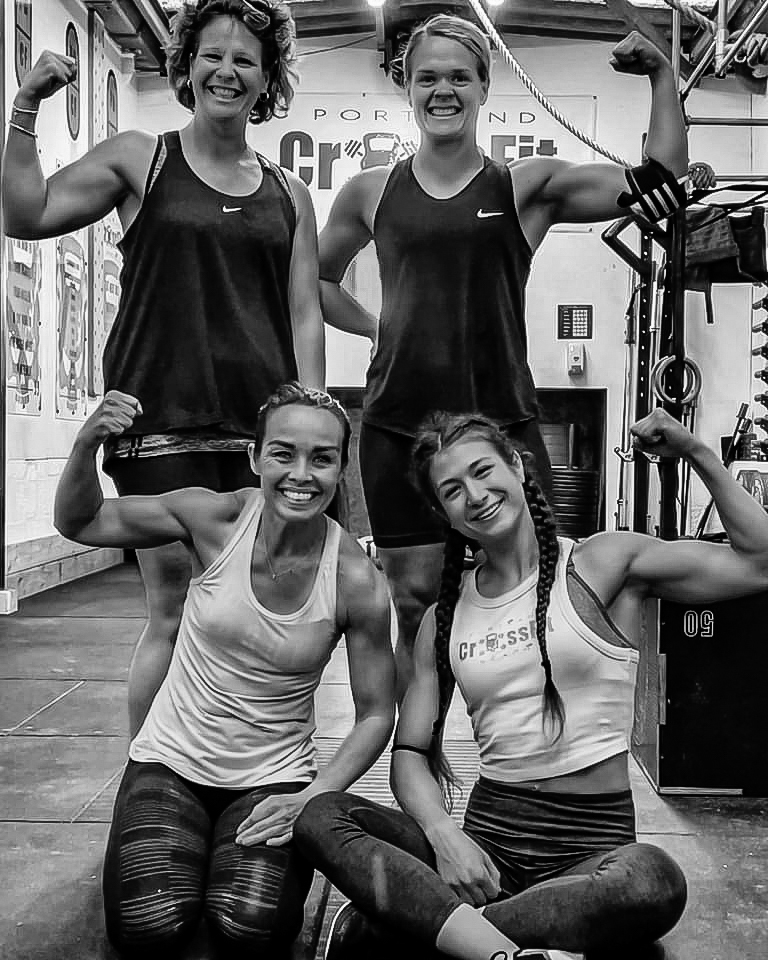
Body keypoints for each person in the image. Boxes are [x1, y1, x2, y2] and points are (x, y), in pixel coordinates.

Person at [294, 406, 768, 959]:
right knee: (322, 814)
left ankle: (435, 929)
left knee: (652, 881)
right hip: (486, 848)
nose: (474, 495)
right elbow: (410, 754)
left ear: (517, 467)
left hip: (591, 850)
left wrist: (695, 451)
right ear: (444, 514)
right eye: (452, 490)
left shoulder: (600, 564)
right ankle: (499, 943)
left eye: (482, 471)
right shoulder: (444, 617)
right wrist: (444, 835)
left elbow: (759, 562)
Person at [318, 13, 689, 693]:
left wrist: (663, 75)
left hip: (502, 424)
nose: (443, 90)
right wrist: (376, 328)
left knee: (534, 601)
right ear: (406, 84)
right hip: (400, 426)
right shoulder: (370, 191)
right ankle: (419, 750)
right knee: (415, 606)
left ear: (485, 85)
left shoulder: (524, 186)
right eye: (428, 77)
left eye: (460, 77)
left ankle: (526, 745)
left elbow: (660, 183)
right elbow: (318, 279)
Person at [2, 0, 326, 736]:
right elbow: (26, 214)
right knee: (174, 607)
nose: (227, 71)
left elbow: (304, 312)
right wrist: (25, 108)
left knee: (256, 613)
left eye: (245, 60)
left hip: (257, 431)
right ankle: (151, 778)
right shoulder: (141, 158)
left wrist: (309, 423)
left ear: (267, 78)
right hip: (162, 423)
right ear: (186, 66)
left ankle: (240, 767)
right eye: (212, 55)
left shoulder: (290, 193)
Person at [52, 381, 395, 959]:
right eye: (284, 453)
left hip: (273, 777)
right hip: (171, 761)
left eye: (322, 458)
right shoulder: (215, 519)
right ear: (256, 457)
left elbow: (377, 713)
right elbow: (80, 521)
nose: (301, 474)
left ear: (341, 469)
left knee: (250, 930)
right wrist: (86, 443)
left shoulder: (356, 579)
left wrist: (315, 795)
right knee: (149, 926)